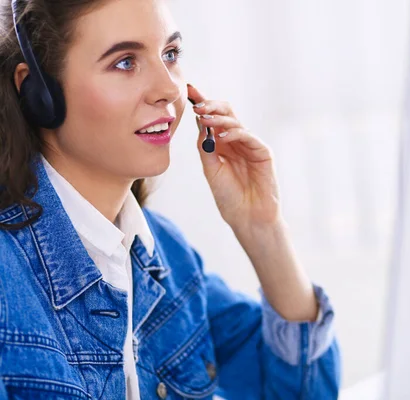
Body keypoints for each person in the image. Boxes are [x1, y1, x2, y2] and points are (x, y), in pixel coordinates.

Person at [0, 0, 341, 398]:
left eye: (170, 54)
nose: (168, 90)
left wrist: (264, 229)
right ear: (37, 91)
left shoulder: (166, 255)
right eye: (125, 62)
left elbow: (300, 391)